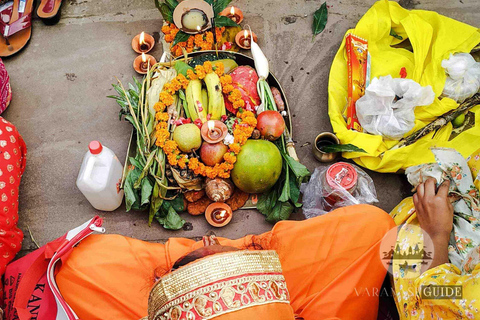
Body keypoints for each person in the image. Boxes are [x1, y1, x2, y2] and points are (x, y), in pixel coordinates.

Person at [55, 204, 395, 320]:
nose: (206, 237)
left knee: (76, 267)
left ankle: (190, 264)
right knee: (374, 228)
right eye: (209, 245)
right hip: (276, 302)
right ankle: (233, 255)